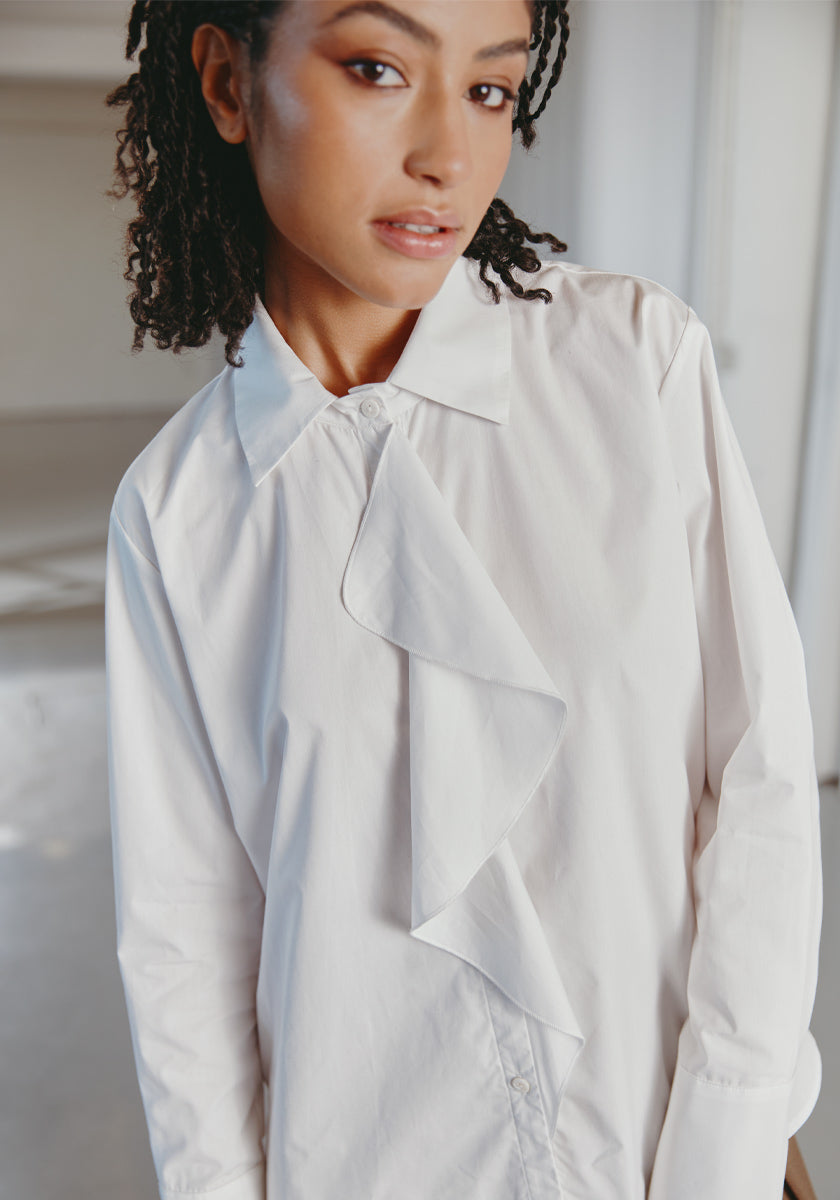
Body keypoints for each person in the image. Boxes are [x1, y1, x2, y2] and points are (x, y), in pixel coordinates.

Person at [104, 3, 822, 1199]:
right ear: (229, 85)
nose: (449, 155)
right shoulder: (180, 516)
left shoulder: (637, 363)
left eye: (491, 91)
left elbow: (760, 786)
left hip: (683, 1158)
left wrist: (725, 1158)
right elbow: (186, 944)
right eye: (379, 69)